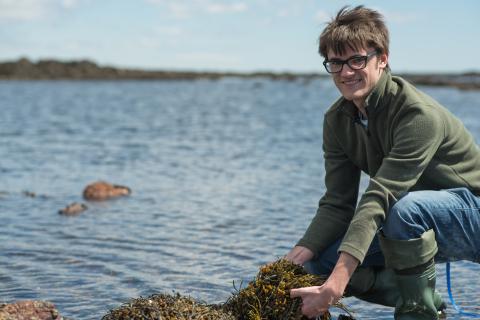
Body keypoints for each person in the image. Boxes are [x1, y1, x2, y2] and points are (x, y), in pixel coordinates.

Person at [286, 5, 480, 320]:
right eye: (336, 63)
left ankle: (419, 314)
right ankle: (425, 298)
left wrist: (339, 281)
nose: (346, 72)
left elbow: (380, 196)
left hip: (473, 214)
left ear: (383, 58)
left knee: (405, 210)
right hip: (415, 224)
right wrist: (293, 259)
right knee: (318, 263)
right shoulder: (337, 121)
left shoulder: (417, 115)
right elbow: (337, 204)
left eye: (357, 60)